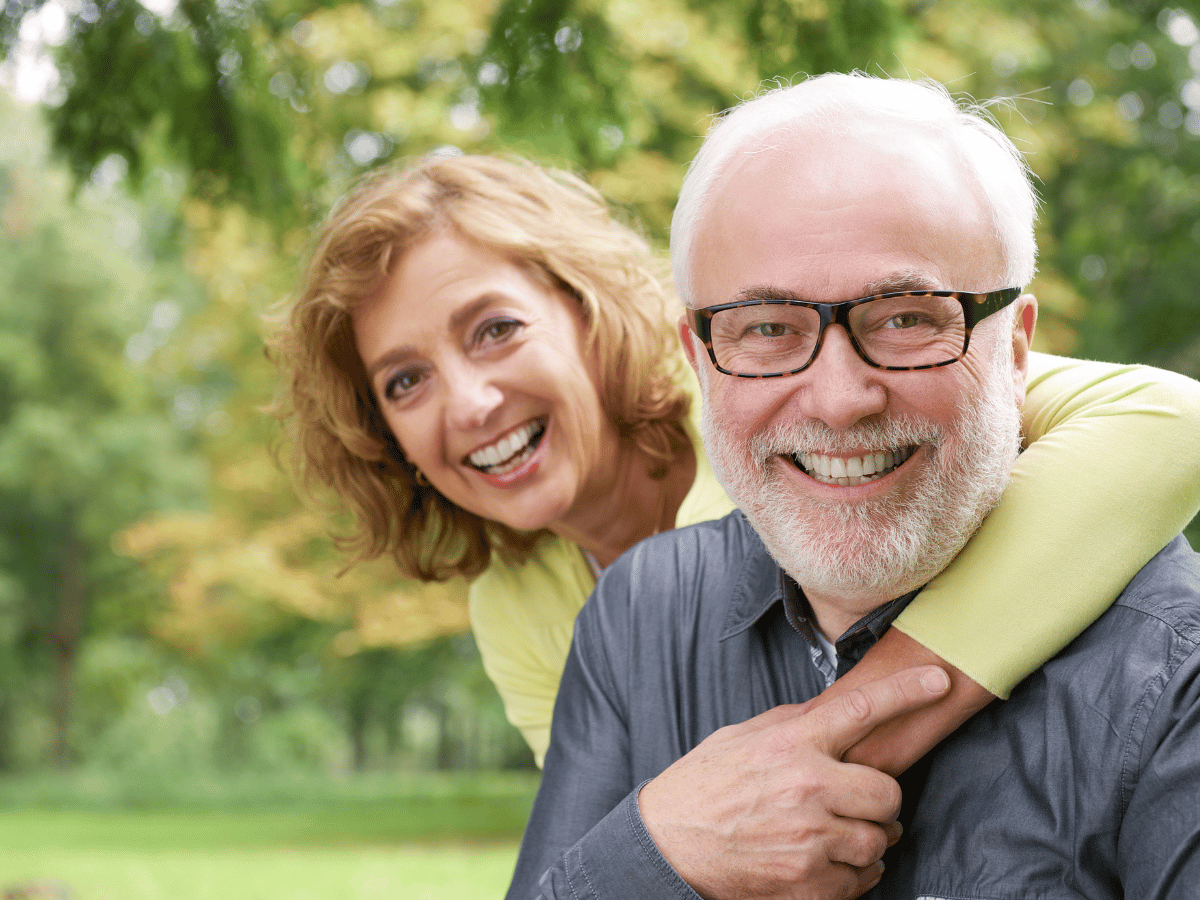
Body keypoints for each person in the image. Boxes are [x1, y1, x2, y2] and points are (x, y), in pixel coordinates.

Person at [272, 152, 1200, 773]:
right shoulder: (515, 607)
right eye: (404, 382)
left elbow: (1169, 419)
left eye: (497, 329)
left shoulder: (778, 392)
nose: (468, 404)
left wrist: (861, 720)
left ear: (590, 313)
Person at [505, 73, 1200, 900]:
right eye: (766, 328)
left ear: (1015, 351)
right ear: (698, 364)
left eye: (907, 317)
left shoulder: (1172, 682)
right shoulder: (640, 612)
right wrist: (655, 849)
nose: (839, 402)